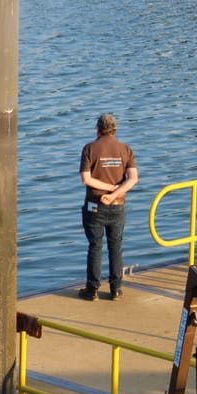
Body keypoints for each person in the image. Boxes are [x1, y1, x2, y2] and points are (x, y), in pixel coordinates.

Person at [78, 113, 138, 301]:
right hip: (118, 205)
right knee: (116, 245)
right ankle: (116, 289)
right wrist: (115, 193)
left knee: (95, 246)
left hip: (95, 205)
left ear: (97, 129)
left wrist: (108, 190)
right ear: (114, 130)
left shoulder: (89, 149)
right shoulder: (125, 149)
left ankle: (93, 288)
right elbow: (134, 178)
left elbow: (86, 179)